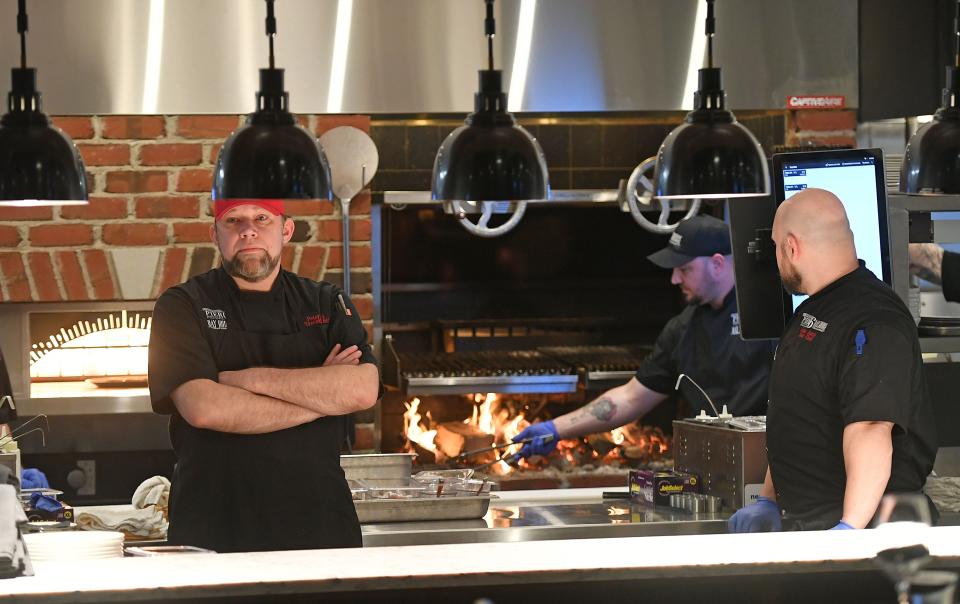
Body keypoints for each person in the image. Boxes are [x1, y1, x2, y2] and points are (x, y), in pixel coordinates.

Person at [148, 199, 380, 553]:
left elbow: (363, 390)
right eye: (233, 220)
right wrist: (325, 396)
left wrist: (242, 380)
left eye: (261, 218)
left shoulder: (326, 302)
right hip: (213, 529)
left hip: (321, 528)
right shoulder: (182, 305)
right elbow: (204, 409)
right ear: (215, 234)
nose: (248, 230)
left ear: (286, 230)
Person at [729, 188, 937, 532]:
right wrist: (770, 499)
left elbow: (871, 429)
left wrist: (848, 533)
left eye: (776, 247)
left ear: (791, 247)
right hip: (810, 526)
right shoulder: (814, 307)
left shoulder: (873, 319)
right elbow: (797, 415)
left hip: (870, 532)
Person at [512, 214, 776, 458]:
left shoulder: (772, 314)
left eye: (684, 269)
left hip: (769, 462)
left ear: (717, 264)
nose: (674, 279)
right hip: (711, 460)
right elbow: (631, 398)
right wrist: (555, 429)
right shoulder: (682, 329)